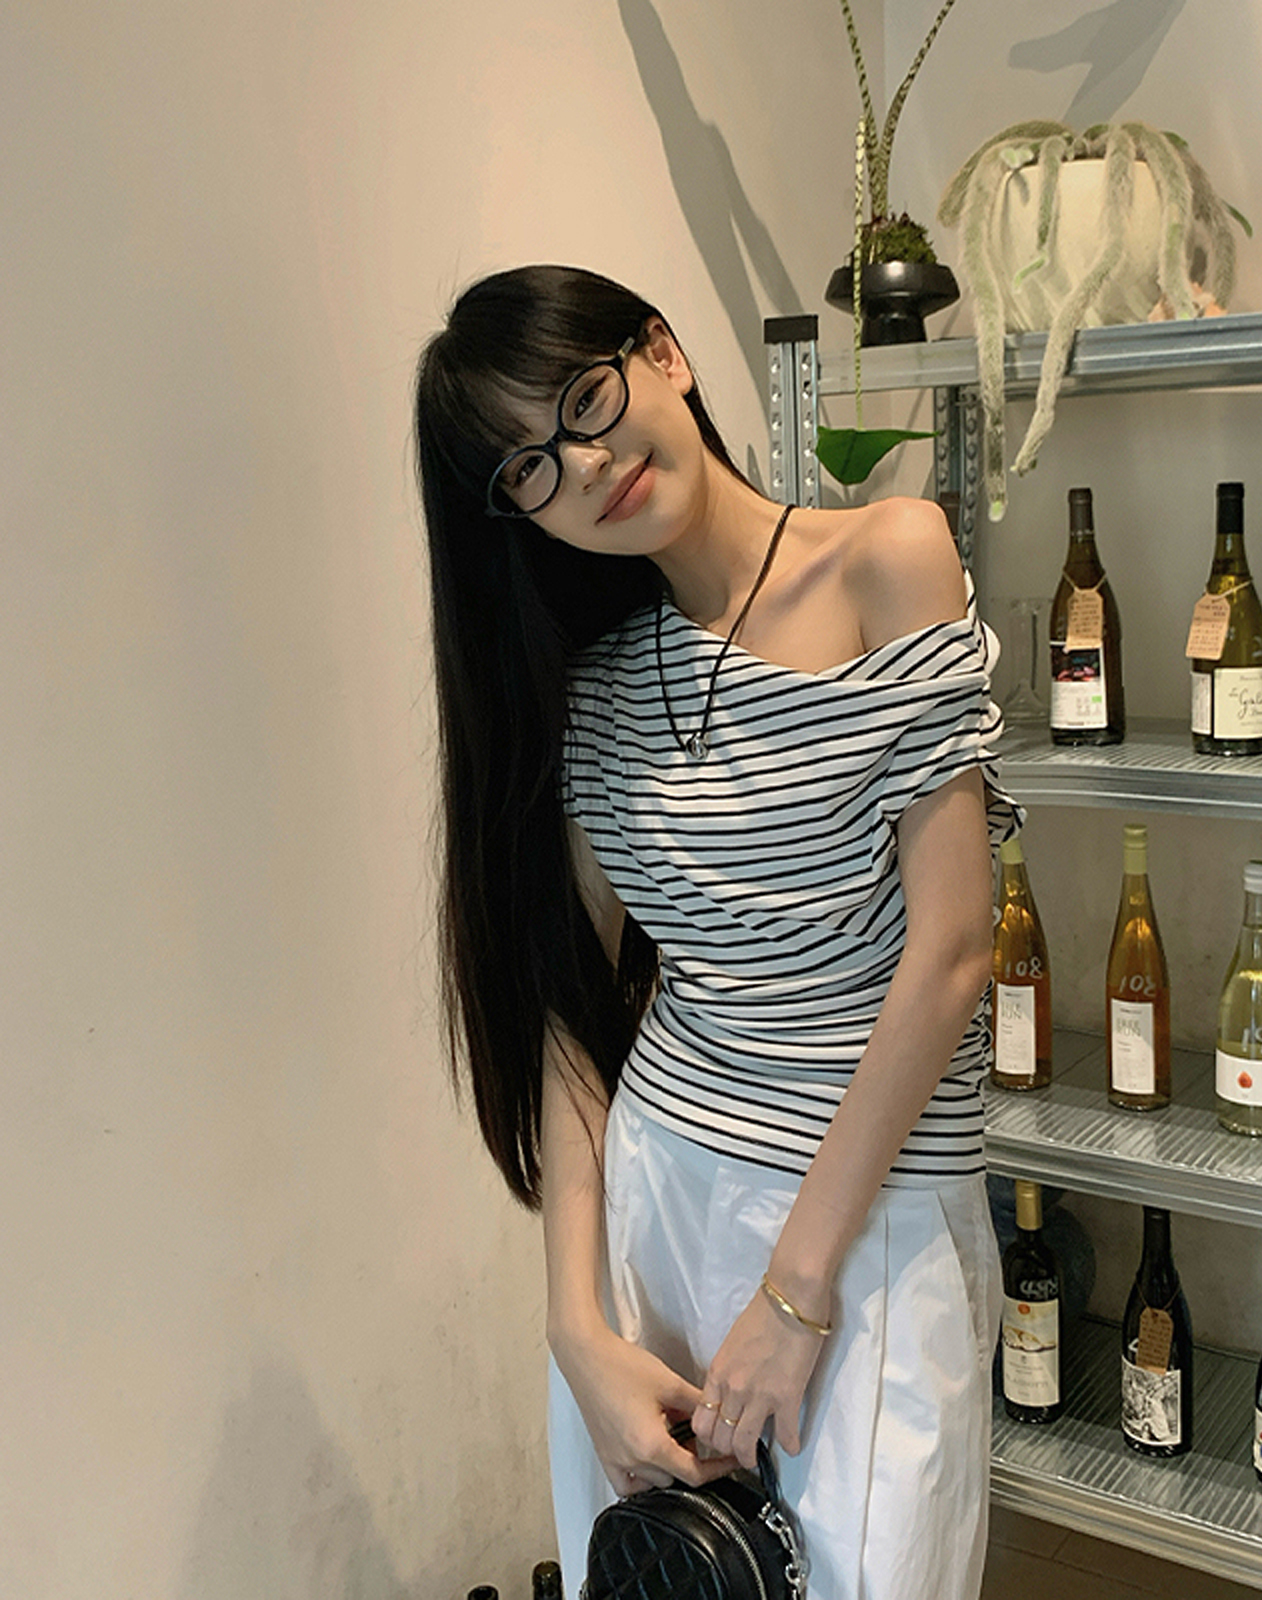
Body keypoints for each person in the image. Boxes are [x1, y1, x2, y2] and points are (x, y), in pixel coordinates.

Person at [414, 264, 1017, 1600]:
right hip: (661, 1197)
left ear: (665, 355)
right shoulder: (594, 685)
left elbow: (953, 955)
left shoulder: (891, 556)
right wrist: (575, 1325)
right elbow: (572, 1008)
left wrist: (796, 1296)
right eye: (527, 468)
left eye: (583, 400)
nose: (582, 464)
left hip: (869, 1219)